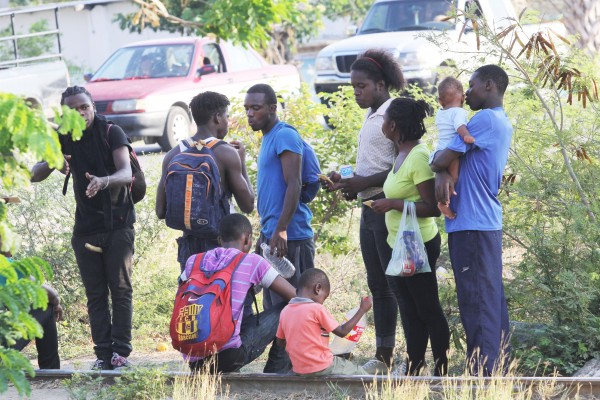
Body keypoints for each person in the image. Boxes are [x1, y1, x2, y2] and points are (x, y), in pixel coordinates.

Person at [31, 86, 136, 371]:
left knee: (121, 289)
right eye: (73, 109)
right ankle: (103, 355)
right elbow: (34, 173)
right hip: (86, 227)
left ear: (93, 107)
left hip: (118, 224)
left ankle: (121, 354)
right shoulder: (63, 135)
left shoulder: (110, 131)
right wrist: (54, 162)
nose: (81, 113)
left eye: (85, 107)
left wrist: (104, 181)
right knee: (96, 294)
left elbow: (127, 172)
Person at [323, 49, 405, 370]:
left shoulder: (392, 114)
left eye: (361, 86)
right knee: (377, 283)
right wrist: (346, 183)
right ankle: (382, 356)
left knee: (392, 284)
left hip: (385, 207)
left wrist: (361, 182)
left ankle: (393, 356)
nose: (356, 92)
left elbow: (402, 166)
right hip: (367, 208)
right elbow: (371, 165)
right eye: (353, 87)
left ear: (380, 84)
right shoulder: (372, 115)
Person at [430, 64, 513, 376]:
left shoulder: (485, 120)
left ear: (489, 86)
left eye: (473, 86)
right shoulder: (496, 120)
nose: (468, 92)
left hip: (473, 224)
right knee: (488, 298)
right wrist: (442, 168)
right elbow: (447, 160)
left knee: (476, 300)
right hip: (479, 223)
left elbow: (440, 159)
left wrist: (439, 169)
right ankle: (498, 370)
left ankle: (483, 376)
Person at [370, 97, 450, 376]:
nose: (381, 124)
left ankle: (441, 370)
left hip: (418, 245)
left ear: (393, 125)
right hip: (399, 244)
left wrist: (391, 204)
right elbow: (402, 192)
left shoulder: (418, 156)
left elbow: (433, 209)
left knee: (427, 307)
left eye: (384, 120)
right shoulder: (400, 154)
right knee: (409, 308)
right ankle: (415, 366)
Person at [244, 83, 315, 372]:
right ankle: (281, 364)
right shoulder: (268, 137)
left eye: (256, 108)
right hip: (273, 233)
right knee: (277, 303)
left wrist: (282, 228)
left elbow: (296, 183)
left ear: (272, 108)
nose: (250, 114)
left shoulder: (284, 134)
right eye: (247, 108)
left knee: (295, 303)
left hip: (290, 236)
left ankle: (287, 365)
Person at [181, 213, 296, 373]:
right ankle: (276, 373)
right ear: (248, 239)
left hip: (194, 358)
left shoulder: (194, 261)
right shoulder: (252, 261)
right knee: (291, 309)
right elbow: (297, 297)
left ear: (220, 239)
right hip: (229, 357)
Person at [156, 91, 254, 273]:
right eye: (226, 116)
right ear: (217, 117)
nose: (227, 121)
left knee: (194, 298)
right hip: (222, 246)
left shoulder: (173, 154)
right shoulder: (226, 153)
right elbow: (248, 205)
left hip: (189, 249)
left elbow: (161, 211)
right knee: (224, 298)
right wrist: (242, 162)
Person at [276, 268, 373, 375]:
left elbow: (280, 341)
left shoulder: (285, 311)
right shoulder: (316, 309)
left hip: (299, 369)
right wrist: (362, 310)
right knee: (359, 372)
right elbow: (342, 332)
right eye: (324, 298)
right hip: (322, 365)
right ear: (318, 288)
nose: (322, 302)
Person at [1, 226, 62, 370]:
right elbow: (48, 292)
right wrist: (57, 303)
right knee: (46, 306)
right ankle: (51, 370)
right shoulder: (10, 266)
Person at [432, 77, 475, 219]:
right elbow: (459, 126)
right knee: (454, 177)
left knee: (447, 176)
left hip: (439, 150)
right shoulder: (459, 112)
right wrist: (466, 136)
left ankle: (444, 201)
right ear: (462, 97)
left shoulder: (440, 113)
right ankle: (444, 203)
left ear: (440, 101)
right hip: (450, 152)